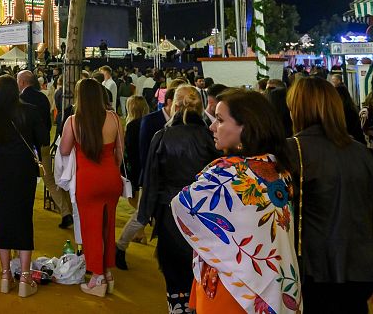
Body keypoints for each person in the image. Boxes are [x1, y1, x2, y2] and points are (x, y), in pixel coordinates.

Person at [172, 89, 301, 313]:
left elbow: (183, 205)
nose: (212, 126)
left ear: (246, 127)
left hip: (231, 286)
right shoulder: (279, 169)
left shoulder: (225, 173)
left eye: (220, 120)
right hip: (271, 281)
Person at [285, 76, 373, 312]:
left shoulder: (291, 150)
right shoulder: (361, 152)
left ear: (299, 109)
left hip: (313, 269)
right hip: (361, 267)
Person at [138, 85, 218, 313]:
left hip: (170, 214)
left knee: (173, 274)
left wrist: (146, 215)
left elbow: (151, 179)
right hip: (206, 217)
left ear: (174, 106)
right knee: (202, 271)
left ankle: (178, 308)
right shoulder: (210, 137)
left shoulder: (162, 136)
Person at [0, 75, 48, 298]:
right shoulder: (29, 111)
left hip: (1, 167)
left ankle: (5, 275)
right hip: (24, 169)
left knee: (2, 218)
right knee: (23, 217)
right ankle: (25, 277)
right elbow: (43, 139)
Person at [58, 78, 124, 298]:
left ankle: (97, 278)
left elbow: (65, 150)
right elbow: (120, 154)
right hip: (111, 177)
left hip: (88, 179)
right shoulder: (114, 118)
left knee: (91, 229)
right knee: (108, 226)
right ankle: (107, 273)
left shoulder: (73, 121)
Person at [18, 70, 70, 228]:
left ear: (22, 82)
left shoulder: (20, 100)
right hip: (43, 144)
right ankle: (66, 212)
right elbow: (48, 123)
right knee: (49, 180)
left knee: (24, 180)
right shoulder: (42, 97)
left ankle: (23, 212)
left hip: (26, 147)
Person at [115, 95, 150, 270]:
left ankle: (124, 243)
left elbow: (127, 151)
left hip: (135, 169)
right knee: (139, 206)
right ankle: (141, 233)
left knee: (136, 204)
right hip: (142, 169)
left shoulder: (132, 126)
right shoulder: (150, 123)